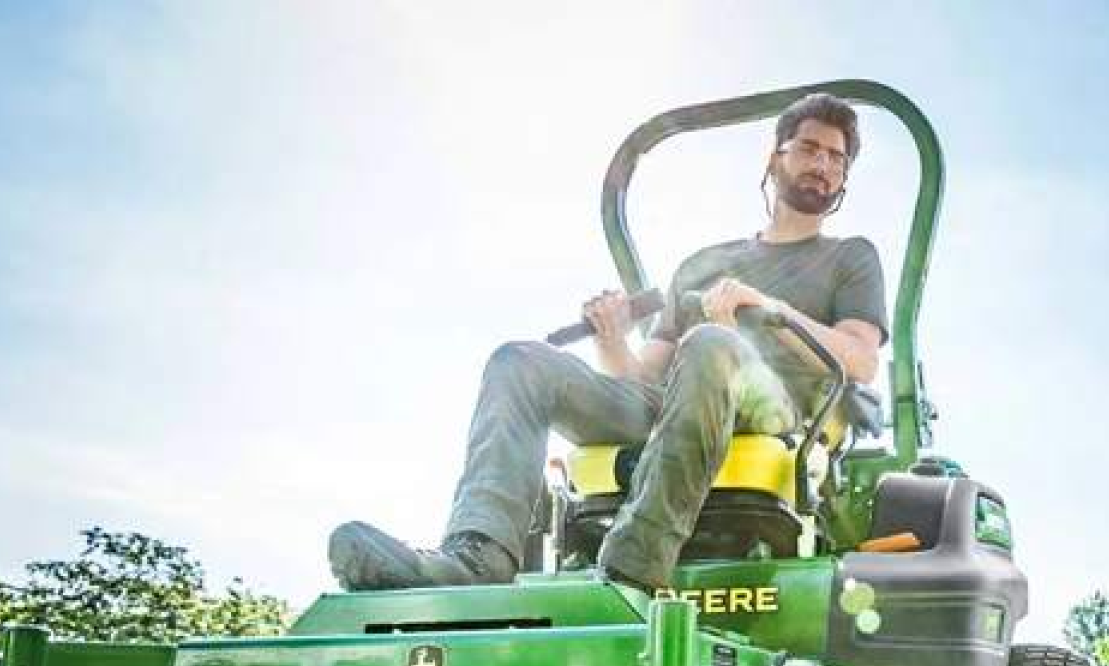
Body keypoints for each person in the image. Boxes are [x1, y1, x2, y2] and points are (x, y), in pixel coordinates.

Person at [329, 92, 889, 593]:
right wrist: (612, 336)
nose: (823, 164)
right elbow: (643, 380)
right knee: (519, 363)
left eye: (837, 158)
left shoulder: (849, 258)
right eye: (810, 149)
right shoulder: (704, 265)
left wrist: (768, 309)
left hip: (777, 411)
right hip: (683, 399)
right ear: (775, 158)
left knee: (713, 344)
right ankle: (478, 554)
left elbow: (860, 360)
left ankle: (633, 567)